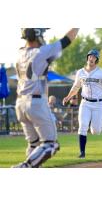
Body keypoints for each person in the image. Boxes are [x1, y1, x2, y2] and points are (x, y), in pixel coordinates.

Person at [13, 28, 79, 168]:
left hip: (20, 103)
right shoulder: (41, 52)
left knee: (34, 145)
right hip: (35, 102)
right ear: (36, 35)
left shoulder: (19, 53)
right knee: (51, 144)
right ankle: (24, 167)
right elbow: (67, 40)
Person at [63, 49, 102, 158]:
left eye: (94, 57)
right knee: (82, 126)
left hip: (98, 104)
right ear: (87, 57)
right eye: (90, 56)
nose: (92, 58)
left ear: (96, 60)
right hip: (85, 103)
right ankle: (82, 153)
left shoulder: (101, 72)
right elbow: (76, 87)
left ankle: (99, 127)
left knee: (95, 131)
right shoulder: (80, 72)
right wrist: (68, 97)